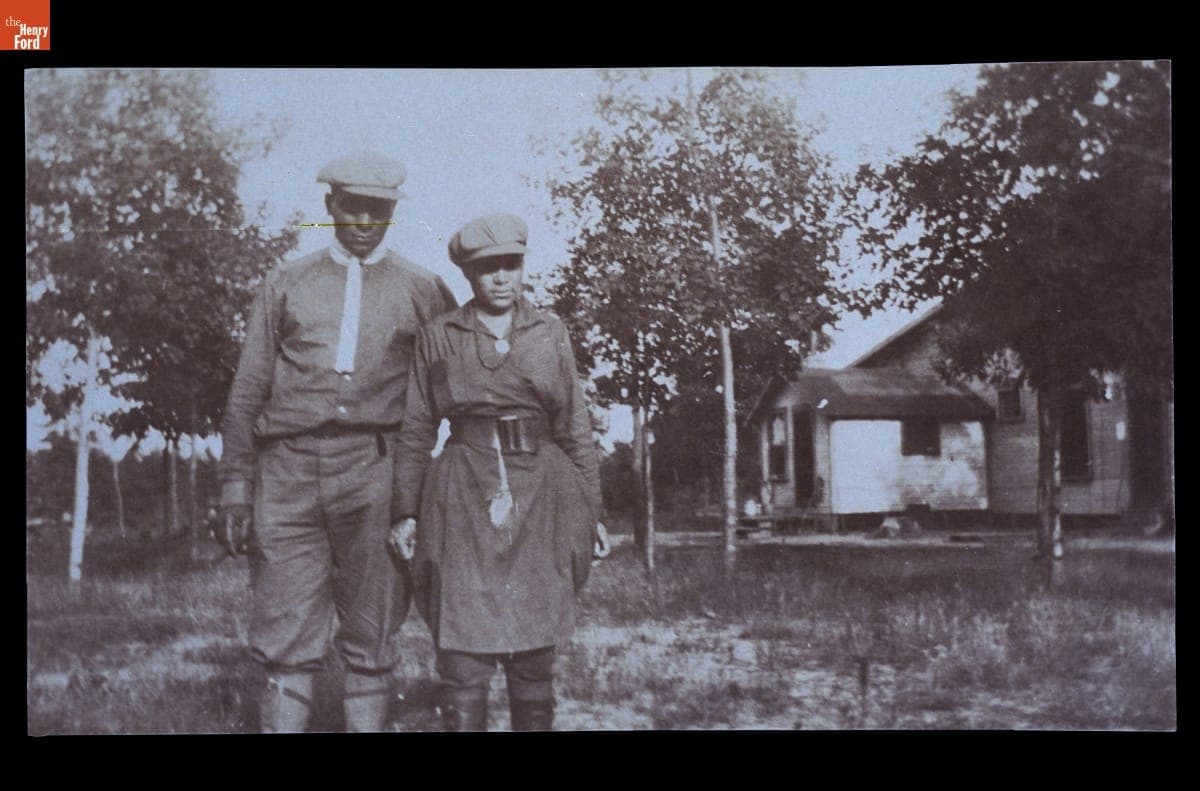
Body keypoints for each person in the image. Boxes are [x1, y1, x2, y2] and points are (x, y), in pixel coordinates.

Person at [216, 151, 457, 732]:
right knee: (283, 630)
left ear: (393, 212)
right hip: (287, 472)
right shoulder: (285, 282)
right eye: (354, 207)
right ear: (330, 207)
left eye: (379, 208)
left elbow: (453, 392)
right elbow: (249, 387)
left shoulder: (423, 289)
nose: (366, 219)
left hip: (376, 472)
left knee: (372, 629)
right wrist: (233, 484)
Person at [389, 212, 609, 732]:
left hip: (543, 493)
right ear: (468, 273)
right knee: (463, 647)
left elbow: (575, 424)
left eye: (511, 264)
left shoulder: (549, 332)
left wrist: (593, 511)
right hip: (463, 493)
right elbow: (418, 428)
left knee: (534, 650)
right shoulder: (440, 336)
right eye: (489, 268)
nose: (502, 277)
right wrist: (406, 511)